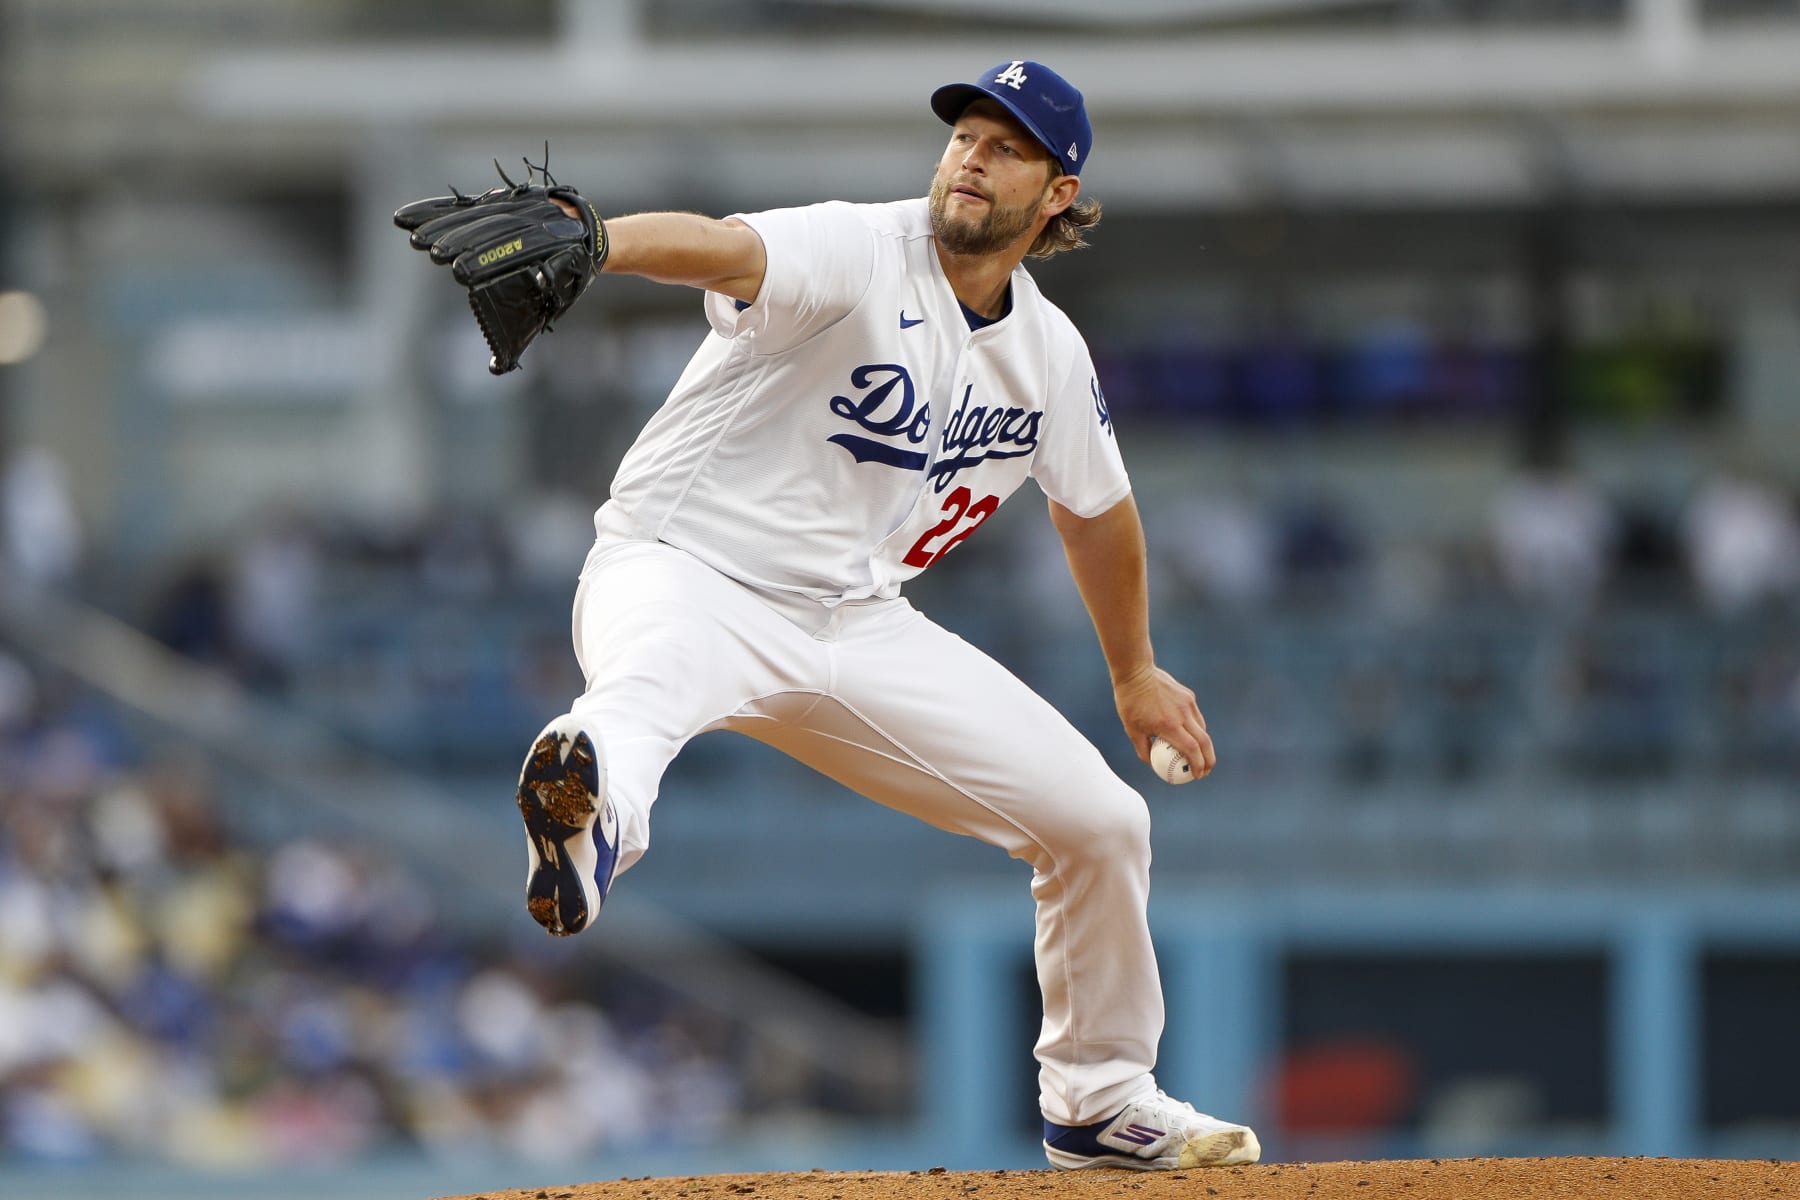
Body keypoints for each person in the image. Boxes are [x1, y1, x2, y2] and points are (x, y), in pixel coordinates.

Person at [514, 60, 1260, 1171]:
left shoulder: (1047, 355)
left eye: (1006, 147)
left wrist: (1135, 670)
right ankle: (588, 820)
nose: (970, 154)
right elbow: (730, 249)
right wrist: (601, 240)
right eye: (964, 133)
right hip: (685, 569)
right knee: (634, 701)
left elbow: (1097, 511)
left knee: (1101, 826)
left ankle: (1098, 1103)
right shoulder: (862, 247)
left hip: (858, 623)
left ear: (1058, 192)